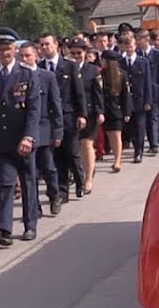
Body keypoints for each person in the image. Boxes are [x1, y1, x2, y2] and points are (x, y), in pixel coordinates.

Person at [0, 27, 41, 245]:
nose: (4, 53)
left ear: (14, 49)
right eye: (0, 49)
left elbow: (34, 109)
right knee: (5, 183)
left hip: (23, 139)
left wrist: (29, 137)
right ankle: (3, 229)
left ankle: (30, 224)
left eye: (7, 49)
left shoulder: (27, 74)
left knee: (28, 182)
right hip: (0, 141)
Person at [37, 32, 85, 202]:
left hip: (68, 115)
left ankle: (80, 180)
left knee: (71, 153)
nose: (44, 48)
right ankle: (62, 190)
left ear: (55, 45)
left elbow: (78, 93)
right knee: (57, 156)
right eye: (41, 45)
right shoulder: (39, 67)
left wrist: (82, 114)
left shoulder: (69, 66)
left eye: (47, 44)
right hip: (49, 119)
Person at [21, 42, 63, 216]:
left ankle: (54, 195)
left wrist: (58, 131)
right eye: (21, 56)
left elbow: (55, 104)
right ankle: (34, 205)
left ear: (36, 56)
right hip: (25, 131)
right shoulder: (18, 77)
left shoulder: (47, 76)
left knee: (48, 167)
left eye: (27, 55)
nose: (24, 59)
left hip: (44, 128)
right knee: (31, 172)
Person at [67, 37, 103, 194]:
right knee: (74, 147)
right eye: (73, 53)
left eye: (79, 53)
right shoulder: (66, 69)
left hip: (89, 112)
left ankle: (88, 179)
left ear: (85, 52)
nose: (76, 56)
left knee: (87, 144)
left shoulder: (92, 70)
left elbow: (98, 93)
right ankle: (79, 173)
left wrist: (100, 111)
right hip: (72, 113)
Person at [119, 32, 152, 164]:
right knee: (130, 127)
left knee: (140, 126)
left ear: (135, 46)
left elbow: (147, 83)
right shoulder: (120, 63)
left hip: (140, 99)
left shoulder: (143, 62)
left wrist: (148, 101)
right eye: (126, 47)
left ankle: (138, 152)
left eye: (131, 46)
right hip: (127, 101)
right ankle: (135, 146)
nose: (129, 49)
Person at [100, 48, 132, 173]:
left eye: (103, 60)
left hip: (117, 110)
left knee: (116, 135)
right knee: (110, 135)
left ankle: (118, 160)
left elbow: (126, 95)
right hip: (106, 110)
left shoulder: (121, 74)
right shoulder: (101, 74)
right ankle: (115, 156)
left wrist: (127, 111)